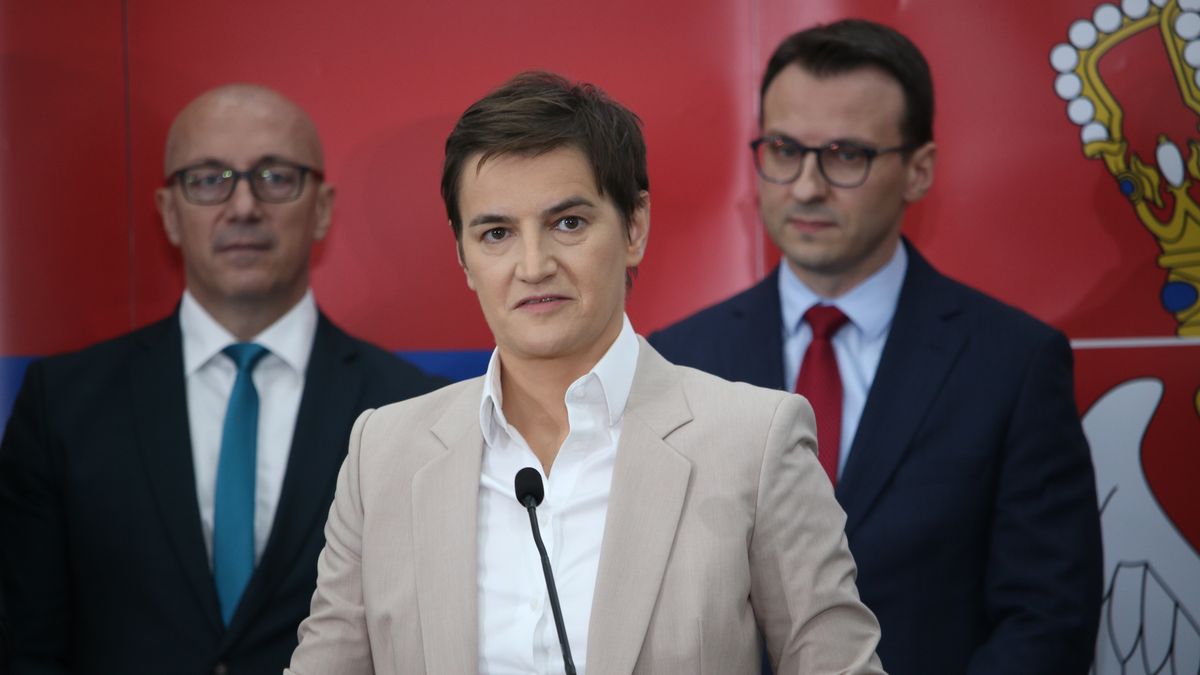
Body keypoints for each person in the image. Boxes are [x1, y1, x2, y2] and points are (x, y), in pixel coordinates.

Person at [286, 71, 884, 675]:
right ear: (463, 257)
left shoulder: (753, 441)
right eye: (496, 233)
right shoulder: (384, 453)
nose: (533, 265)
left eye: (567, 223)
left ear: (634, 227)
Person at [650, 19, 1103, 675]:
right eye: (784, 149)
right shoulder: (679, 360)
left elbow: (1049, 620)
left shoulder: (1012, 364)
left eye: (846, 154)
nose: (806, 186)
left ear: (918, 170)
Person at [0, 84, 445, 674]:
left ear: (323, 209)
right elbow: (24, 647)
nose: (242, 208)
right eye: (208, 179)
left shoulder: (410, 409)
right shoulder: (63, 405)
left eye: (275, 177)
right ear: (168, 213)